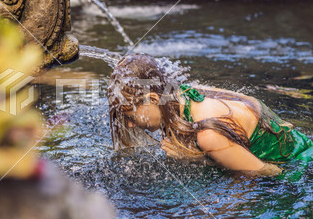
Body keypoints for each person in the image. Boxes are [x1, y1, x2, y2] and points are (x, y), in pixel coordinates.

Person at [107, 54, 313, 176]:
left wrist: (195, 160)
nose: (131, 125)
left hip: (301, 168)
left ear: (153, 99)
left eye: (130, 116)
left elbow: (270, 172)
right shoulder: (183, 94)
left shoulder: (208, 134)